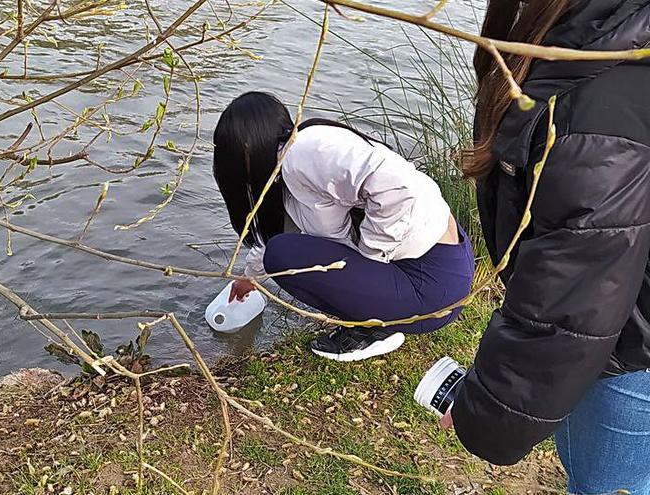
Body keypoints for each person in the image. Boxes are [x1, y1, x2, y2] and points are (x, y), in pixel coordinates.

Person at [445, 0, 650, 492]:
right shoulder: (599, 46)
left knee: (605, 484)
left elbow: (575, 291)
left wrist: (483, 414)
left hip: (629, 360)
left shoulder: (602, 95)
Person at [212, 91, 475, 362]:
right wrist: (250, 278)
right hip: (442, 274)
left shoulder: (302, 153)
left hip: (431, 288)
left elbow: (400, 190)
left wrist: (370, 259)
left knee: (280, 257)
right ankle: (375, 316)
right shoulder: (287, 172)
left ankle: (373, 331)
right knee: (279, 252)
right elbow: (281, 233)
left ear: (245, 149)